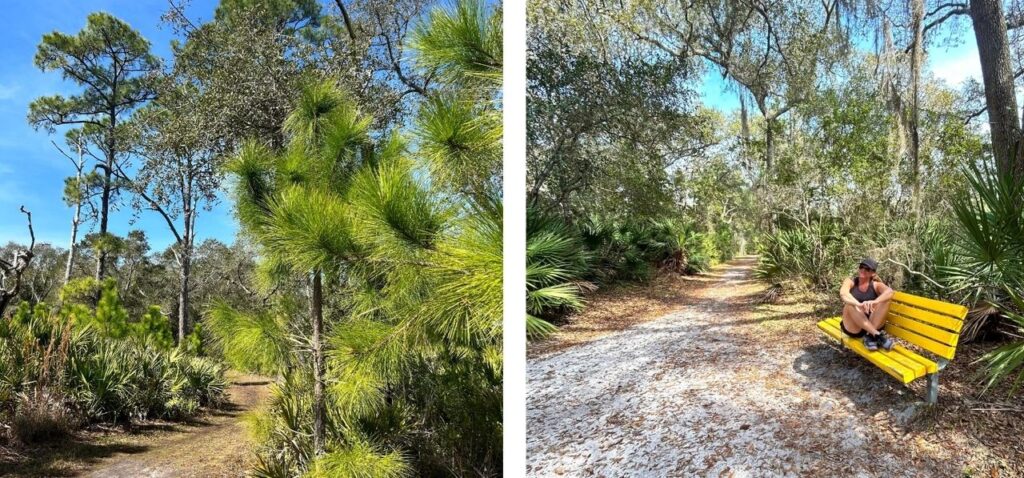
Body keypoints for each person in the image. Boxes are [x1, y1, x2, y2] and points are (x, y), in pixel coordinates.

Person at [839, 258, 895, 351]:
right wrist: (858, 304)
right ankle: (877, 335)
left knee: (885, 300)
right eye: (861, 267)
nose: (863, 270)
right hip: (855, 328)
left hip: (873, 324)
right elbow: (843, 294)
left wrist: (875, 301)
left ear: (873, 273)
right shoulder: (850, 282)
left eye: (867, 269)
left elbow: (890, 292)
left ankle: (870, 335)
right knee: (850, 304)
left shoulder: (876, 285)